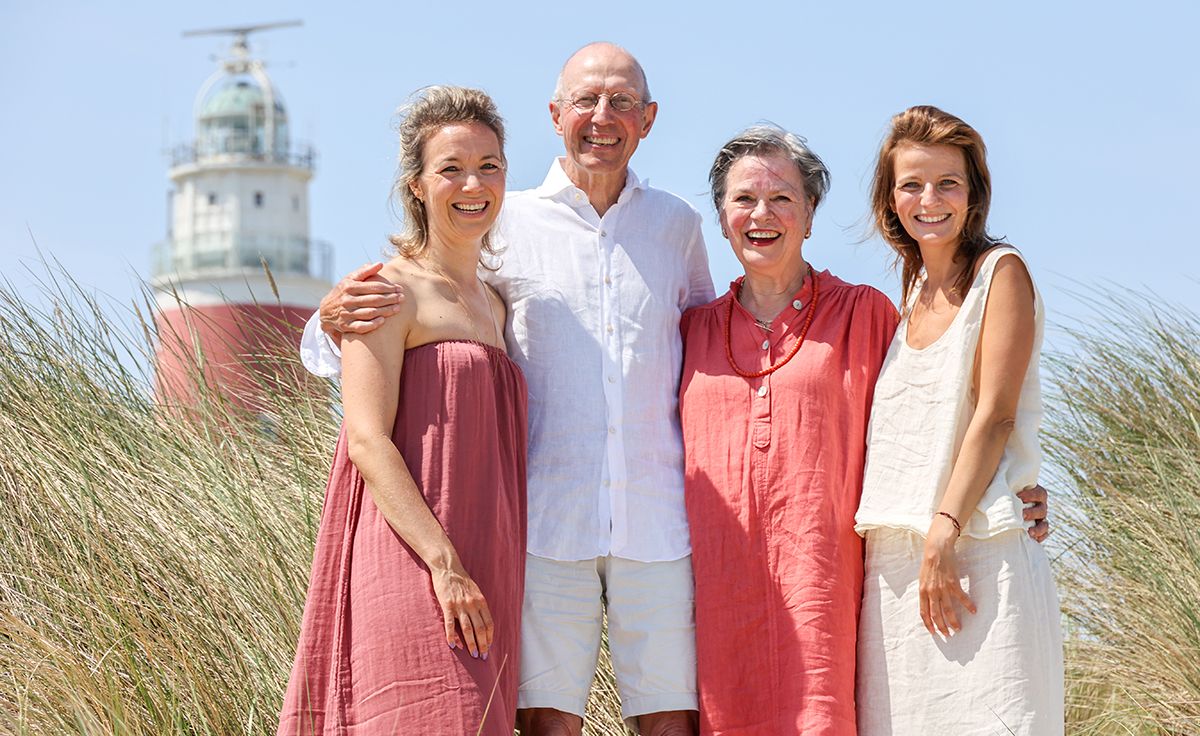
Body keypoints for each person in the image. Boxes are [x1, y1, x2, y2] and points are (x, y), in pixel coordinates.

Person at [300, 43, 714, 736]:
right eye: (585, 100)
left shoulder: (678, 227)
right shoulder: (502, 221)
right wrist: (326, 318)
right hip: (543, 525)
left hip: (656, 518)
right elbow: (378, 331)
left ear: (648, 118)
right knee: (538, 723)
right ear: (556, 115)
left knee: (673, 721)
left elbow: (706, 350)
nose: (602, 117)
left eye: (621, 101)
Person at [277, 86, 528, 735]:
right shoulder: (385, 292)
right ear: (416, 185)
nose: (472, 184)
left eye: (489, 165)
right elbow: (366, 441)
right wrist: (443, 565)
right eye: (451, 168)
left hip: (491, 564)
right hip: (415, 561)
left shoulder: (498, 304)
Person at [679, 126, 897, 734]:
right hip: (715, 603)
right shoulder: (690, 330)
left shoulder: (864, 312)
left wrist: (1010, 485)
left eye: (781, 198)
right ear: (722, 219)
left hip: (826, 596)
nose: (761, 214)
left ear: (809, 214)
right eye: (743, 199)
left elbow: (928, 423)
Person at [854, 105, 1064, 734]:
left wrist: (941, 534)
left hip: (978, 553)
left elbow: (996, 416)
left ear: (973, 195)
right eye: (911, 184)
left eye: (948, 182)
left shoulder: (1001, 275)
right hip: (895, 572)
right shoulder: (906, 298)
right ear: (891, 199)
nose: (929, 199)